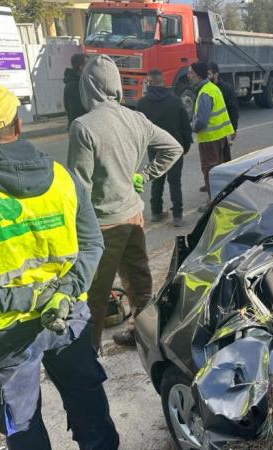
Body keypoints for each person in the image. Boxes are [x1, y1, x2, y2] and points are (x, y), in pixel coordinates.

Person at [0, 80, 118, 449]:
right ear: (18, 124)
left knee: (23, 428)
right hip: (67, 317)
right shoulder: (62, 177)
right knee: (90, 409)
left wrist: (27, 299)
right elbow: (92, 244)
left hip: (4, 334)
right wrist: (63, 292)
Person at [68, 55, 183, 348]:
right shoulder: (136, 118)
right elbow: (174, 148)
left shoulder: (83, 127)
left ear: (88, 87)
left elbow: (79, 187)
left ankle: (90, 356)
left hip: (102, 226)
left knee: (94, 295)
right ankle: (145, 338)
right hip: (133, 216)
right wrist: (143, 175)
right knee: (139, 283)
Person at [136, 69, 192, 227]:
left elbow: (138, 129)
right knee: (175, 182)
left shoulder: (142, 104)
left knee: (156, 179)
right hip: (175, 147)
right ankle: (177, 216)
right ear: (163, 82)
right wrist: (186, 146)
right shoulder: (175, 101)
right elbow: (185, 126)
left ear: (150, 83)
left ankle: (156, 212)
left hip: (154, 148)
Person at [187, 61, 235, 203]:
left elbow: (201, 122)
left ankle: (213, 200)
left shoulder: (205, 93)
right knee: (220, 168)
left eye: (191, 73)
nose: (188, 75)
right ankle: (222, 195)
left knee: (210, 170)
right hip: (220, 136)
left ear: (198, 75)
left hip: (210, 139)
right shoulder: (212, 88)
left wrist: (189, 126)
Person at [208, 62, 239, 162]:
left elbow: (233, 109)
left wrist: (233, 128)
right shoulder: (205, 89)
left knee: (224, 161)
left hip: (222, 134)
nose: (206, 77)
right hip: (210, 135)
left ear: (216, 75)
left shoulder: (227, 89)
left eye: (208, 74)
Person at [63, 53, 88, 126]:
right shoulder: (73, 86)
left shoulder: (80, 82)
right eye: (87, 64)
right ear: (81, 67)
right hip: (80, 127)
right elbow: (77, 112)